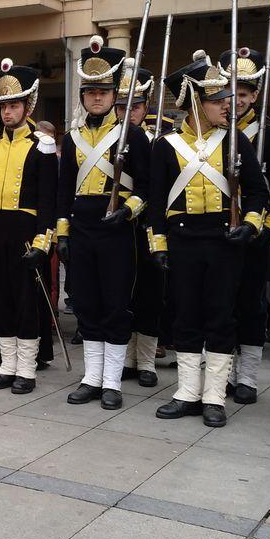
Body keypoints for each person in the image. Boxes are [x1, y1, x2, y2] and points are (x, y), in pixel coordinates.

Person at [148, 51, 267, 428]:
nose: (226, 106)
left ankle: (214, 396)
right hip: (183, 241)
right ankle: (186, 392)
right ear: (195, 105)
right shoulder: (165, 145)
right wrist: (159, 243)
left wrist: (249, 224)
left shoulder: (236, 142)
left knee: (220, 316)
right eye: (217, 101)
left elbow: (259, 193)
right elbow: (155, 200)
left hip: (223, 240)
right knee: (186, 316)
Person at [58, 39, 150, 409]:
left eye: (104, 92)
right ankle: (91, 377)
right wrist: (63, 234)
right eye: (91, 92)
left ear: (115, 95)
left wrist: (128, 211)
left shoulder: (133, 135)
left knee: (114, 304)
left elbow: (147, 188)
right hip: (82, 228)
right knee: (86, 303)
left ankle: (112, 381)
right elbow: (64, 191)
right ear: (82, 96)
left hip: (116, 231)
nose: (97, 98)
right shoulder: (72, 137)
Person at [0, 59, 58, 395]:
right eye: (4, 106)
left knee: (26, 300)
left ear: (28, 105)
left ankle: (26, 368)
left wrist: (43, 241)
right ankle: (7, 364)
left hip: (25, 232)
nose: (7, 112)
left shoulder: (42, 146)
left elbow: (49, 202)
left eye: (14, 105)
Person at [219, 46, 270, 405]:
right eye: (231, 94)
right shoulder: (215, 132)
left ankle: (247, 375)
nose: (236, 101)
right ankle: (224, 370)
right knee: (222, 304)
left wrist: (263, 227)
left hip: (256, 231)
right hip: (220, 231)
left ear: (255, 95)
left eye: (243, 94)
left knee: (250, 304)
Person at [115, 63, 167, 387]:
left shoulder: (160, 138)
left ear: (146, 106)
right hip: (121, 227)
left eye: (134, 105)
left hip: (149, 227)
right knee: (124, 294)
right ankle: (127, 358)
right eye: (122, 106)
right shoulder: (112, 138)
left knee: (150, 295)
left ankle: (146, 360)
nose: (128, 112)